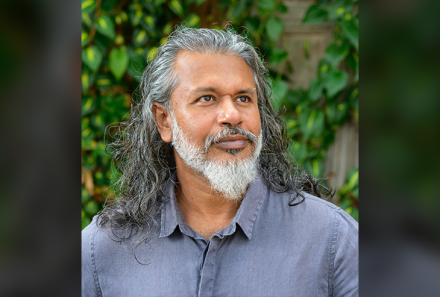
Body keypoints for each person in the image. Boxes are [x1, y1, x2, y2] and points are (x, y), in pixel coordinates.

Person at [82, 27, 358, 297]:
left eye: (243, 98)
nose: (232, 114)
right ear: (165, 121)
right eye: (207, 98)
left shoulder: (331, 240)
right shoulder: (101, 250)